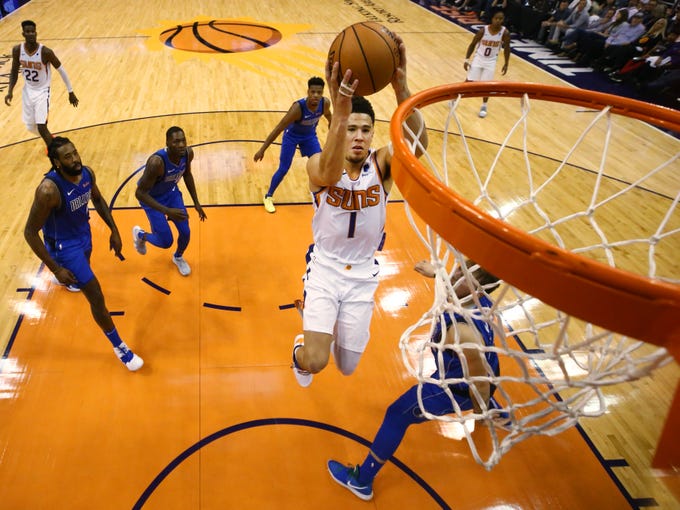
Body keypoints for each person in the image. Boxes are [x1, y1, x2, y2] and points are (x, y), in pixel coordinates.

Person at [290, 34, 428, 387]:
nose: (359, 136)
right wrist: (341, 107)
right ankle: (300, 348)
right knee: (317, 361)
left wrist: (400, 87)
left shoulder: (381, 165)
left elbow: (417, 144)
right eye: (352, 128)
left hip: (363, 275)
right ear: (339, 129)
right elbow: (329, 172)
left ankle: (324, 322)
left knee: (348, 367)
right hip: (325, 268)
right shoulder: (317, 164)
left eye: (366, 130)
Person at [327, 260, 507, 501]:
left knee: (396, 415)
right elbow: (456, 288)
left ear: (479, 289)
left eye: (463, 276)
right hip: (487, 372)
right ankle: (488, 409)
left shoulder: (462, 332)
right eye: (458, 269)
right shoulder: (477, 301)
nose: (454, 276)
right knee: (481, 387)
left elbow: (479, 381)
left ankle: (363, 481)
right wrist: (439, 274)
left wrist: (479, 410)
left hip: (459, 388)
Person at [23, 137, 143, 371]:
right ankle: (120, 348)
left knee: (80, 276)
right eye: (68, 157)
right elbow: (29, 232)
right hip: (64, 247)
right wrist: (56, 267)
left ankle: (66, 280)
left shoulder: (86, 173)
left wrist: (114, 231)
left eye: (75, 153)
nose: (75, 159)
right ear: (57, 163)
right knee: (96, 295)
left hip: (83, 235)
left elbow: (97, 200)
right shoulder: (48, 191)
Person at [132, 126, 207, 276]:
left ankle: (178, 257)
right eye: (176, 141)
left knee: (186, 233)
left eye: (183, 140)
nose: (181, 145)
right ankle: (140, 235)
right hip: (151, 199)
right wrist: (167, 211)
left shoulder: (187, 153)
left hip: (172, 195)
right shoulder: (156, 163)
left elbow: (187, 175)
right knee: (166, 242)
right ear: (167, 142)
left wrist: (197, 203)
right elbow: (139, 194)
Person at [254, 77, 332, 214]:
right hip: (291, 137)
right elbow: (278, 128)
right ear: (308, 92)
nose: (315, 96)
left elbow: (330, 118)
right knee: (284, 168)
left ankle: (324, 197)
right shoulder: (297, 108)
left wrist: (333, 137)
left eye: (319, 92)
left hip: (309, 137)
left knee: (320, 165)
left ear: (322, 93)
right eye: (313, 92)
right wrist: (262, 149)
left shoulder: (325, 104)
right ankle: (268, 196)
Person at [4, 20, 79, 147]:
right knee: (30, 127)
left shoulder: (45, 52)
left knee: (42, 127)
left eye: (33, 31)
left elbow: (62, 70)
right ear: (23, 34)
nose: (31, 34)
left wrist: (70, 91)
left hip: (43, 92)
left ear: (36, 33)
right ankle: (52, 139)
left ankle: (55, 155)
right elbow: (14, 71)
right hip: (27, 91)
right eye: (28, 32)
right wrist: (10, 91)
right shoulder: (17, 50)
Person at [464, 11, 511, 118]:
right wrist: (467, 59)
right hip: (479, 59)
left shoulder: (505, 33)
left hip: (491, 61)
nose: (498, 21)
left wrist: (506, 63)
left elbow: (507, 48)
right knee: (469, 82)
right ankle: (456, 97)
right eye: (496, 18)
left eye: (501, 19)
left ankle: (484, 106)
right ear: (492, 19)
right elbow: (472, 44)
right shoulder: (483, 31)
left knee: (487, 85)